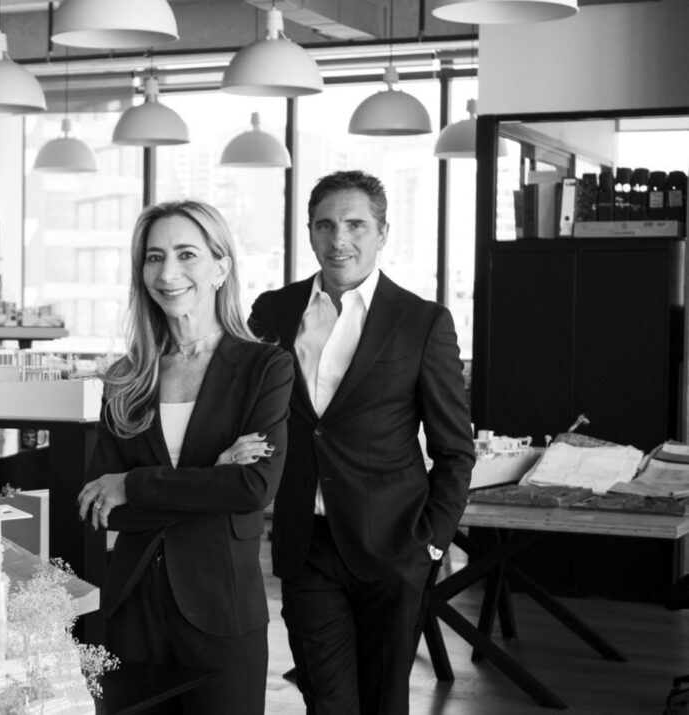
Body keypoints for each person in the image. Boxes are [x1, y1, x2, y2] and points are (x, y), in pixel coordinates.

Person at [247, 170, 475, 714]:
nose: (338, 240)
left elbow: (454, 450)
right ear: (309, 231)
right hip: (305, 543)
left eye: (355, 225)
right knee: (326, 701)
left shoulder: (422, 322)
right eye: (325, 225)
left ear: (382, 233)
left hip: (394, 545)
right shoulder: (273, 312)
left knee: (382, 701)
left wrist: (432, 544)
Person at [78, 199, 294, 714]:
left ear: (221, 268)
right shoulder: (126, 377)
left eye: (186, 254)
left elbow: (252, 488)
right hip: (131, 607)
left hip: (222, 606)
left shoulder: (265, 367)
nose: (167, 272)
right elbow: (100, 506)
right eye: (154, 257)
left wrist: (133, 484)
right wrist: (210, 478)